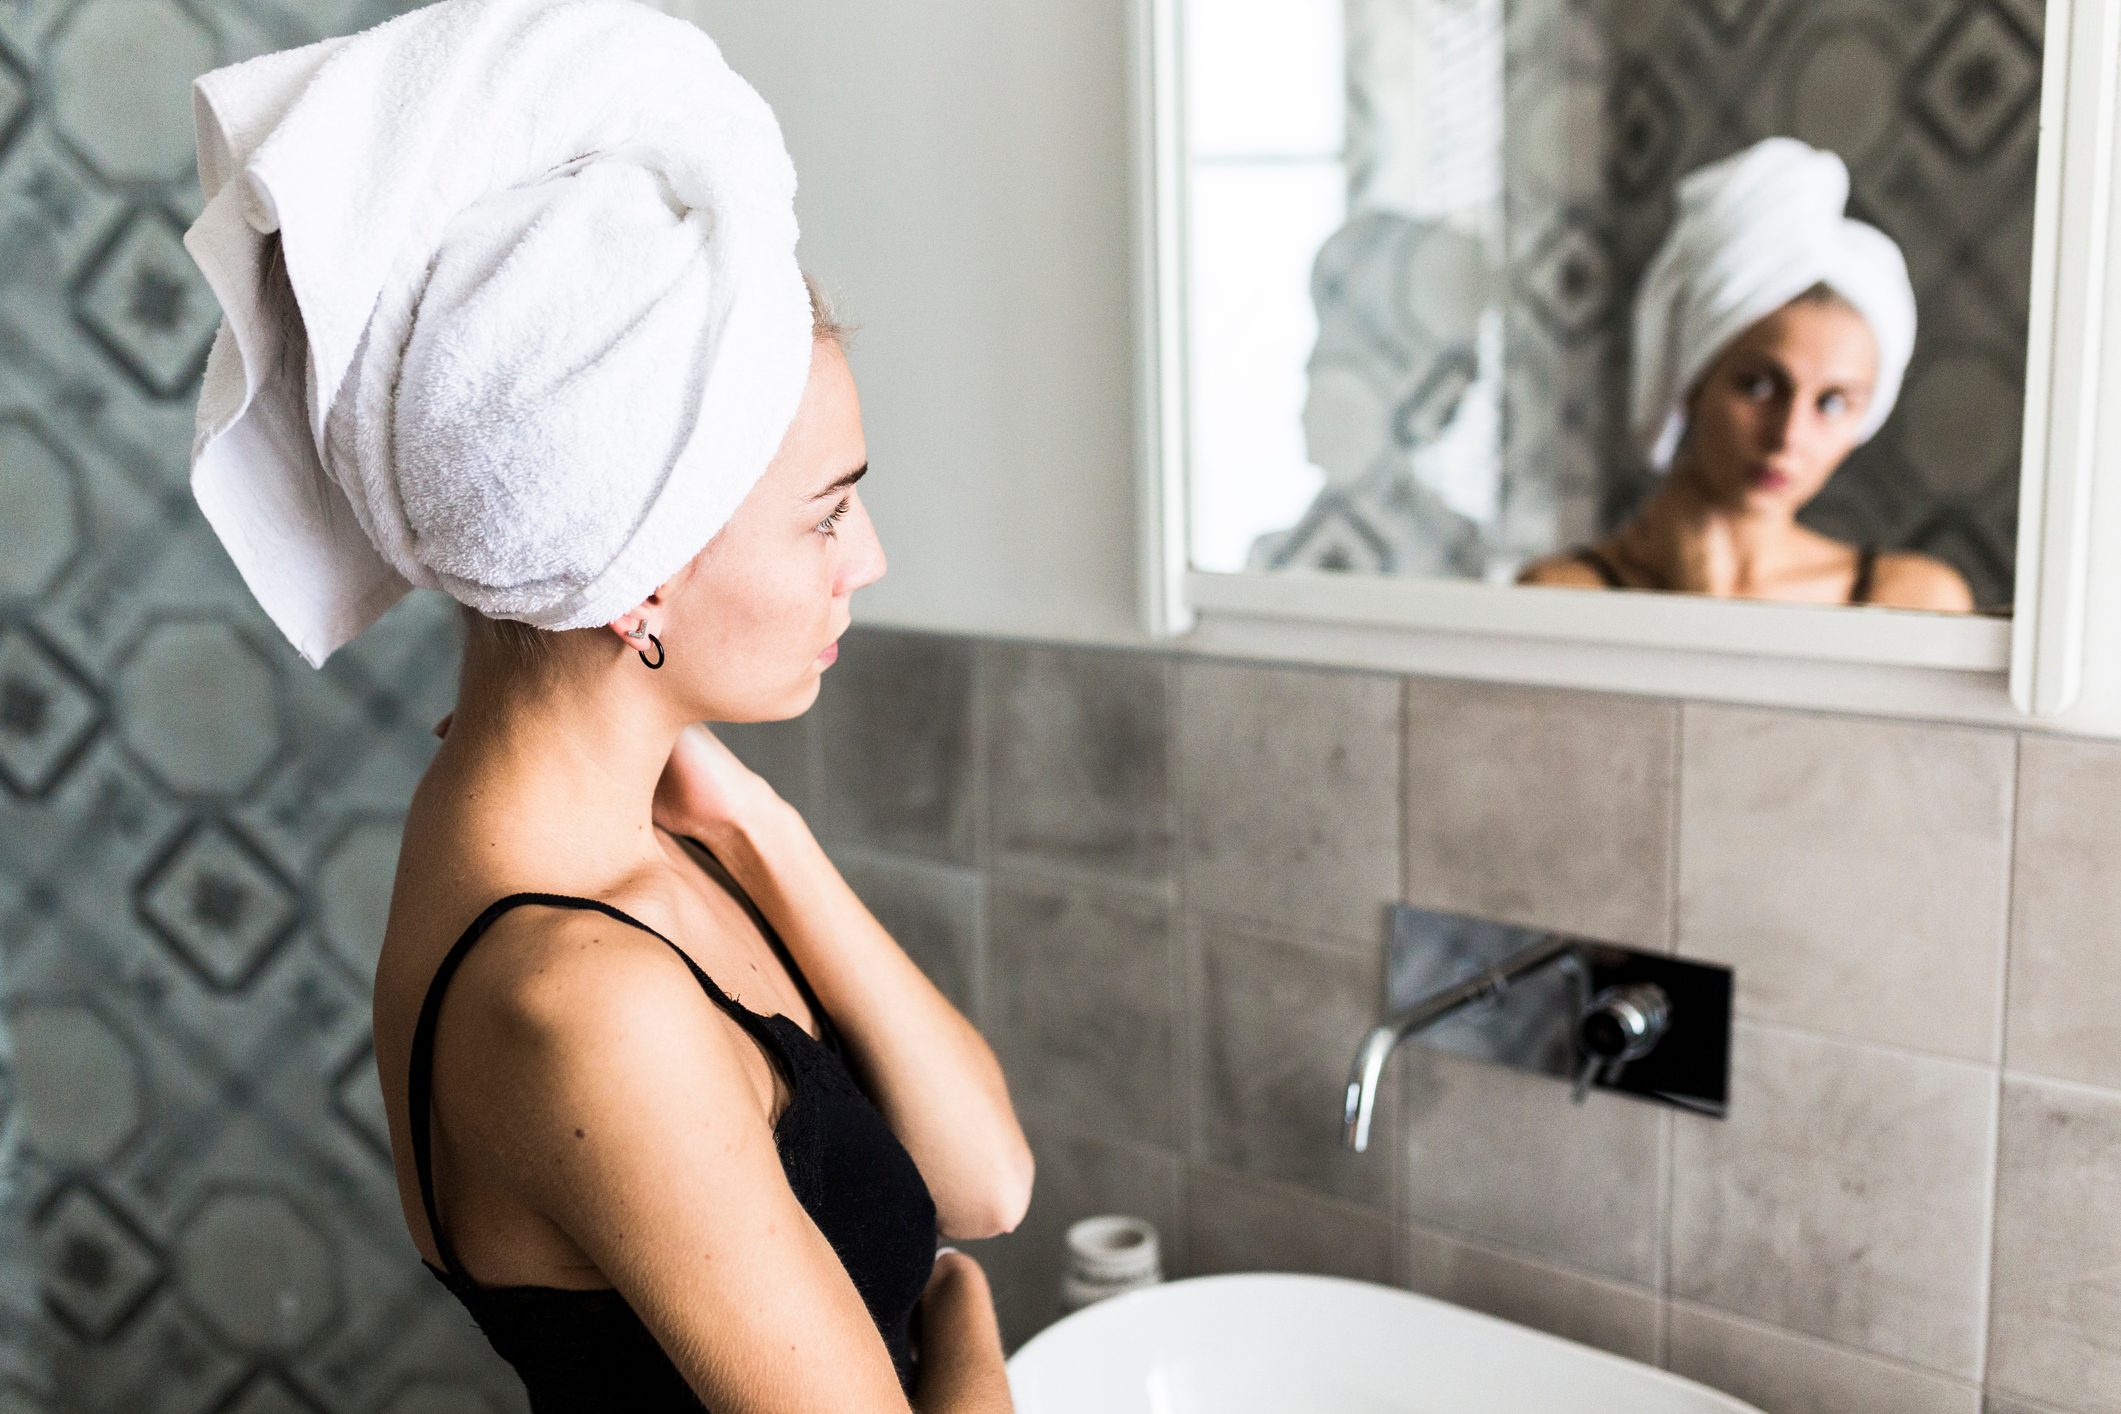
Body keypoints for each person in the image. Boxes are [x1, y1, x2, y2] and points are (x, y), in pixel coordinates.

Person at [181, 2, 1030, 1408]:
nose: (864, 561)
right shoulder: (578, 997)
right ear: (638, 574)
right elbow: (970, 1235)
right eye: (827, 515)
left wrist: (753, 823)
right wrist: (962, 1319)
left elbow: (987, 1175)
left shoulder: (624, 841)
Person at [1519, 137, 1974, 610]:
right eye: (1758, 386)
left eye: (1832, 403)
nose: (1787, 436)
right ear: (1694, 383)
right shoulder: (1566, 594)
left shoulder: (1909, 601)